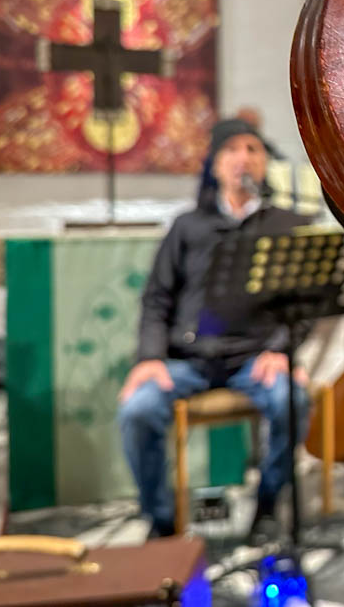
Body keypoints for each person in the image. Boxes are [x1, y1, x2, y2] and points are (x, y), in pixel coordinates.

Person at [118, 117, 310, 540]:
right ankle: (162, 522)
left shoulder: (286, 224)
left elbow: (303, 304)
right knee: (138, 410)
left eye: (253, 148)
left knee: (291, 401)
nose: (244, 158)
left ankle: (267, 506)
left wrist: (280, 349)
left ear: (265, 163)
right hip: (189, 360)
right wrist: (149, 358)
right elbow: (156, 298)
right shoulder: (188, 226)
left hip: (254, 358)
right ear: (215, 164)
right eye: (232, 149)